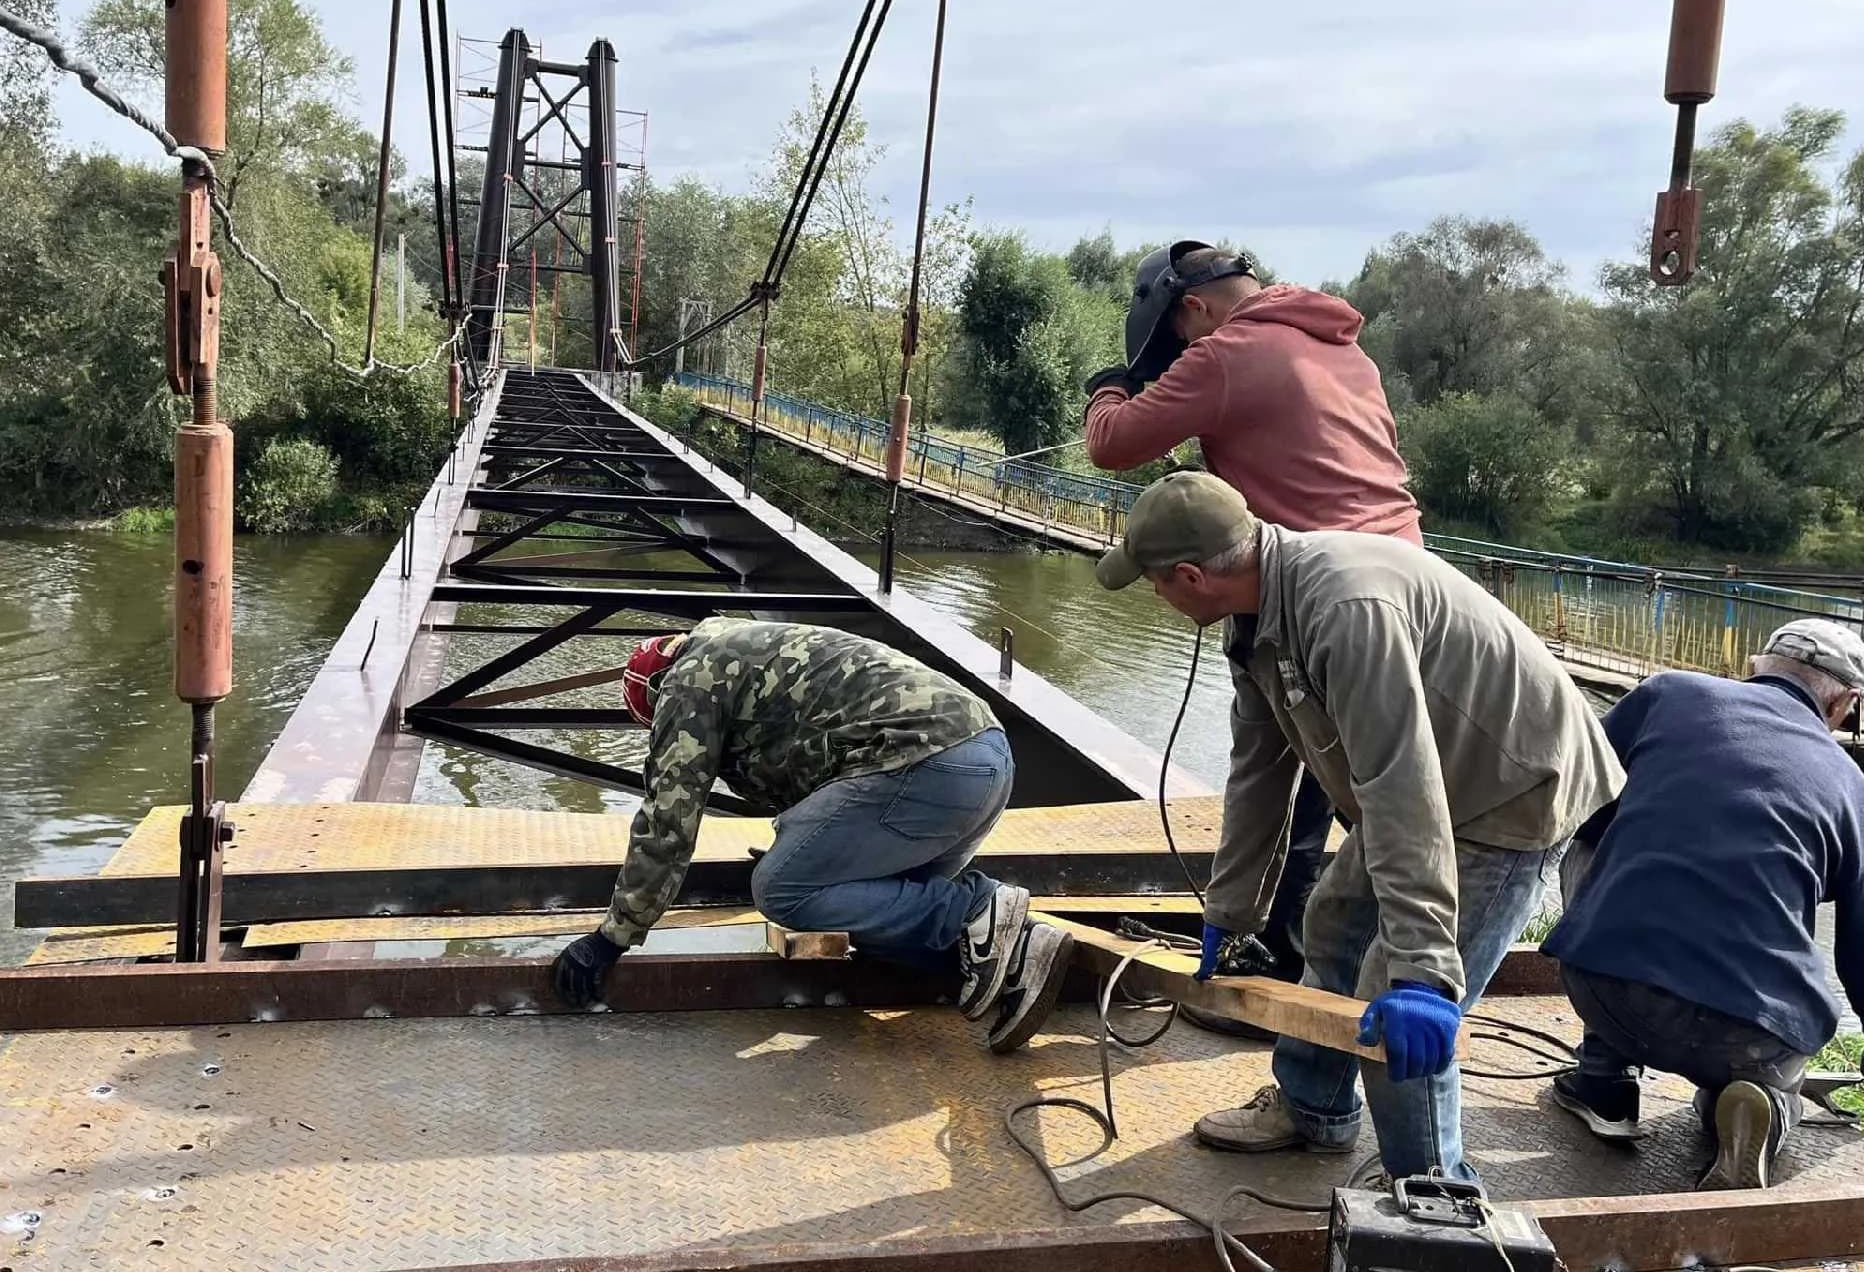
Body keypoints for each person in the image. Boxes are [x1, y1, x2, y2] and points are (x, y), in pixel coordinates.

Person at [1095, 470, 1622, 1180]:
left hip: (1512, 787)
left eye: (1154, 583)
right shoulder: (1256, 620)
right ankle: (1313, 1107)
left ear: (1191, 576)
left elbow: (1401, 783)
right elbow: (1258, 775)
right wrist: (1231, 909)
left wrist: (1425, 971)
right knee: (1335, 923)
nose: (1156, 597)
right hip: (1440, 777)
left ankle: (1430, 1192)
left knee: (1394, 1006)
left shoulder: (1344, 610)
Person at [1082, 243, 1421, 994]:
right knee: (1353, 779)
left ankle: (1291, 964)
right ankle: (1271, 945)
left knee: (1294, 772)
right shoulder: (1343, 349)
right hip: (1405, 580)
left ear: (1195, 308)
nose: (1183, 354)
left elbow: (1113, 443)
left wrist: (1110, 387)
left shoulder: (1228, 351)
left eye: (1179, 338)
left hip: (1309, 595)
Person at [547, 618, 1074, 1053]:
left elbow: (668, 821)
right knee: (871, 916)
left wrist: (611, 938)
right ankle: (1011, 960)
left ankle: (972, 910)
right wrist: (815, 847)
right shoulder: (749, 647)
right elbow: (819, 741)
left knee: (781, 889)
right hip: (986, 760)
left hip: (926, 767)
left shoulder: (688, 682)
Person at [1544, 619, 1864, 1190]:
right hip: (1742, 1030)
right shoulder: (1853, 790)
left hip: (1602, 987)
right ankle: (1762, 1100)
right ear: (1845, 702)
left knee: (1595, 839)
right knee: (1755, 1072)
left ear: (1754, 666)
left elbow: (1576, 798)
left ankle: (1603, 1078)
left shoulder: (1668, 694)